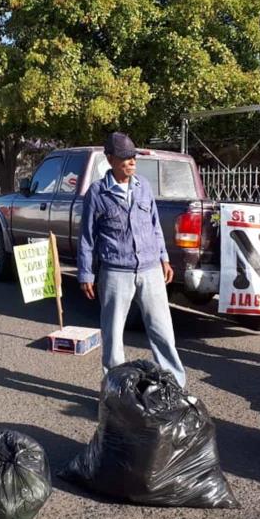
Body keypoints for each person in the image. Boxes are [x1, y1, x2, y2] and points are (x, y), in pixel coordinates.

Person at [77, 132, 186, 387]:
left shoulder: (143, 187)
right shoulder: (97, 193)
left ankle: (175, 386)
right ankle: (115, 392)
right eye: (125, 157)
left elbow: (155, 225)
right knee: (113, 337)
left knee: (163, 333)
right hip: (116, 272)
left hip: (150, 271)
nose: (131, 162)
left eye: (133, 157)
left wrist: (164, 258)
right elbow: (87, 238)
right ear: (110, 159)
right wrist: (86, 274)